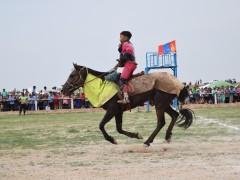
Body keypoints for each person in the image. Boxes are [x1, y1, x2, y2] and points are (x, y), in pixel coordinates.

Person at [115, 31, 137, 104]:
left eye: (121, 37)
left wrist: (123, 56)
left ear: (125, 38)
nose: (119, 38)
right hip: (131, 64)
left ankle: (126, 98)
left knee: (121, 80)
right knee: (126, 79)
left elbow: (129, 51)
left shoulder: (126, 43)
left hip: (129, 64)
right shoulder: (128, 44)